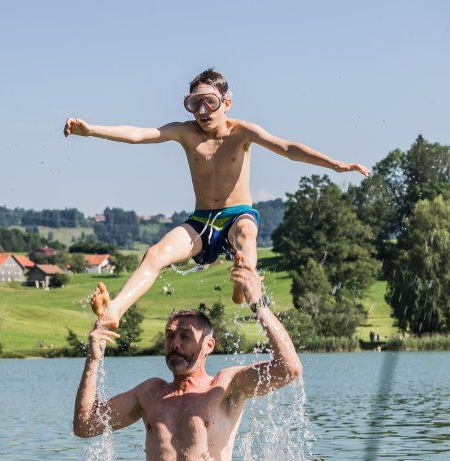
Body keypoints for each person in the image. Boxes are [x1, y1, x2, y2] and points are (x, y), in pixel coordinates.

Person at [64, 68, 370, 321]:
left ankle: (245, 289)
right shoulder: (185, 132)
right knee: (155, 254)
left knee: (247, 234)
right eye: (193, 104)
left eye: (209, 102)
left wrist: (335, 165)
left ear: (226, 103)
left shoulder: (243, 131)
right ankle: (115, 311)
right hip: (201, 221)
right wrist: (90, 130)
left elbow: (288, 148)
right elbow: (138, 134)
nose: (201, 111)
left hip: (237, 216)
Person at [73, 256, 303, 461]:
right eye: (169, 336)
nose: (175, 344)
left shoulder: (226, 386)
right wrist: (94, 358)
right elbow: (85, 425)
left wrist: (259, 305)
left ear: (209, 345)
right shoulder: (150, 393)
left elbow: (289, 369)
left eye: (185, 336)